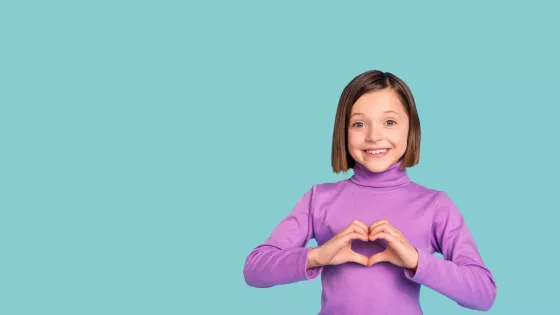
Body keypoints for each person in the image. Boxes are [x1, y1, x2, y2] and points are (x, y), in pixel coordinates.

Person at [243, 70, 497, 314]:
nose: (374, 136)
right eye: (359, 124)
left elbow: (483, 293)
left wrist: (416, 261)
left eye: (389, 122)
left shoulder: (435, 206)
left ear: (411, 128)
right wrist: (318, 256)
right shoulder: (318, 199)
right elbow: (254, 269)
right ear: (343, 131)